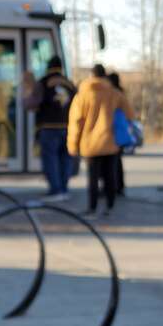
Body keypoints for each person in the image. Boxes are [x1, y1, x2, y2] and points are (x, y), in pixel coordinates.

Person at [67, 64, 133, 218]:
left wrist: (72, 145)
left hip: (89, 144)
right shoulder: (114, 93)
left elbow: (76, 122)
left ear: (90, 76)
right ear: (104, 76)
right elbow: (129, 114)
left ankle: (92, 207)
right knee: (110, 175)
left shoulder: (81, 96)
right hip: (110, 142)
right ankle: (109, 205)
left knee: (92, 177)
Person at [23, 56, 77, 202]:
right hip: (69, 127)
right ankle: (64, 189)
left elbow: (31, 104)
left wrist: (27, 89)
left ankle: (55, 190)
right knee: (65, 159)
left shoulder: (43, 82)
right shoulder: (70, 84)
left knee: (50, 159)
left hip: (48, 127)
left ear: (48, 66)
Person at [107, 72, 126, 197]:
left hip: (112, 131)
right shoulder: (121, 93)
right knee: (117, 161)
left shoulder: (111, 94)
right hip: (121, 132)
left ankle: (112, 188)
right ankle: (120, 187)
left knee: (111, 163)